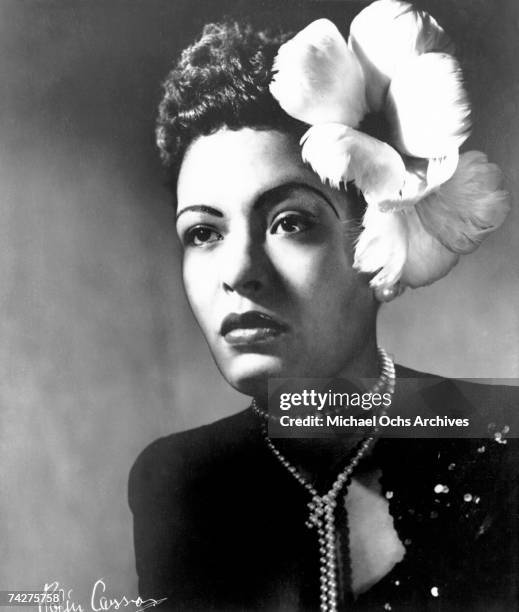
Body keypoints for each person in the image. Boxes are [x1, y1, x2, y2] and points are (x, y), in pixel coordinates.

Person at [128, 2, 519, 610]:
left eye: (289, 222)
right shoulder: (178, 482)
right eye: (203, 233)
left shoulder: (502, 438)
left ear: (380, 224)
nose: (237, 273)